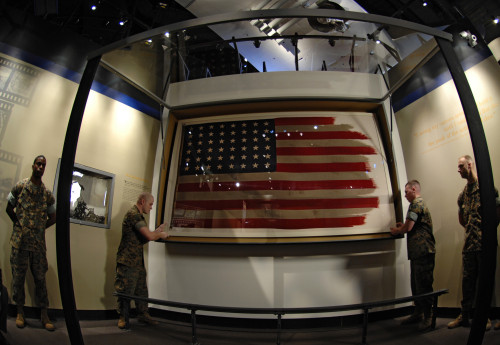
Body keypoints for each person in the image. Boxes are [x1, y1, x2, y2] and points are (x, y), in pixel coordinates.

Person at [5, 155, 56, 331]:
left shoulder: (47, 194)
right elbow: (8, 208)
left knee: (40, 280)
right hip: (19, 242)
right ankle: (19, 312)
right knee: (18, 279)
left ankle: (44, 314)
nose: (41, 167)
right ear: (33, 166)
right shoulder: (20, 186)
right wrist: (18, 225)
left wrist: (40, 228)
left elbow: (53, 216)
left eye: (44, 165)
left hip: (38, 245)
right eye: (38, 164)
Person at [448, 155, 497, 330]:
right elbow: (462, 219)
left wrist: (484, 232)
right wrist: (471, 230)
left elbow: (496, 215)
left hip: (485, 245)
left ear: (470, 165)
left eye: (461, 166)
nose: (458, 170)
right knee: (467, 282)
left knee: (485, 282)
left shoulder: (486, 188)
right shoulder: (463, 195)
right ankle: (465, 315)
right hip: (469, 245)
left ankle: (485, 317)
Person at [115, 192, 168, 329]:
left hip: (136, 261)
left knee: (141, 290)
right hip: (127, 261)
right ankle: (123, 317)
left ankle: (143, 315)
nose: (151, 207)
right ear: (143, 201)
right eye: (150, 204)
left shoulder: (139, 216)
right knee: (125, 290)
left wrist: (156, 231)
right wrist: (160, 234)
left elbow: (143, 238)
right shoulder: (134, 215)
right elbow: (149, 237)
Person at [390, 180, 435, 331]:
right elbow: (409, 225)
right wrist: (401, 226)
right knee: (416, 285)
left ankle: (428, 316)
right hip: (419, 252)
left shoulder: (416, 204)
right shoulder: (417, 204)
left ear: (414, 189)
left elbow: (409, 227)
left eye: (406, 191)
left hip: (423, 251)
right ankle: (418, 312)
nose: (405, 195)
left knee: (424, 284)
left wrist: (397, 230)